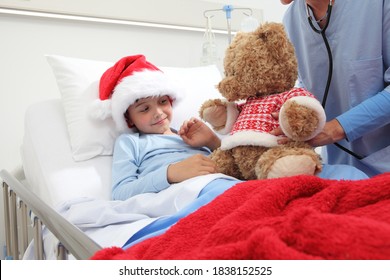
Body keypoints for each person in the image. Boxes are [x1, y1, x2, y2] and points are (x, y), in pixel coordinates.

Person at [274, 0, 390, 177]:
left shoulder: (379, 5)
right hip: (338, 172)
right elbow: (306, 86)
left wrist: (336, 128)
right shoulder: (291, 21)